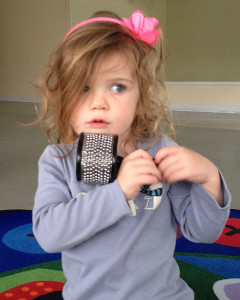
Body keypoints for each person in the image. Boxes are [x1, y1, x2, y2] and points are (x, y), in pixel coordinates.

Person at [32, 10, 231, 300]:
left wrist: (210, 179)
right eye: (83, 88)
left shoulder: (160, 152)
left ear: (140, 94)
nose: (99, 103)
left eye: (117, 87)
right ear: (63, 95)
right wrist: (119, 192)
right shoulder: (57, 161)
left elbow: (203, 233)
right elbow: (50, 235)